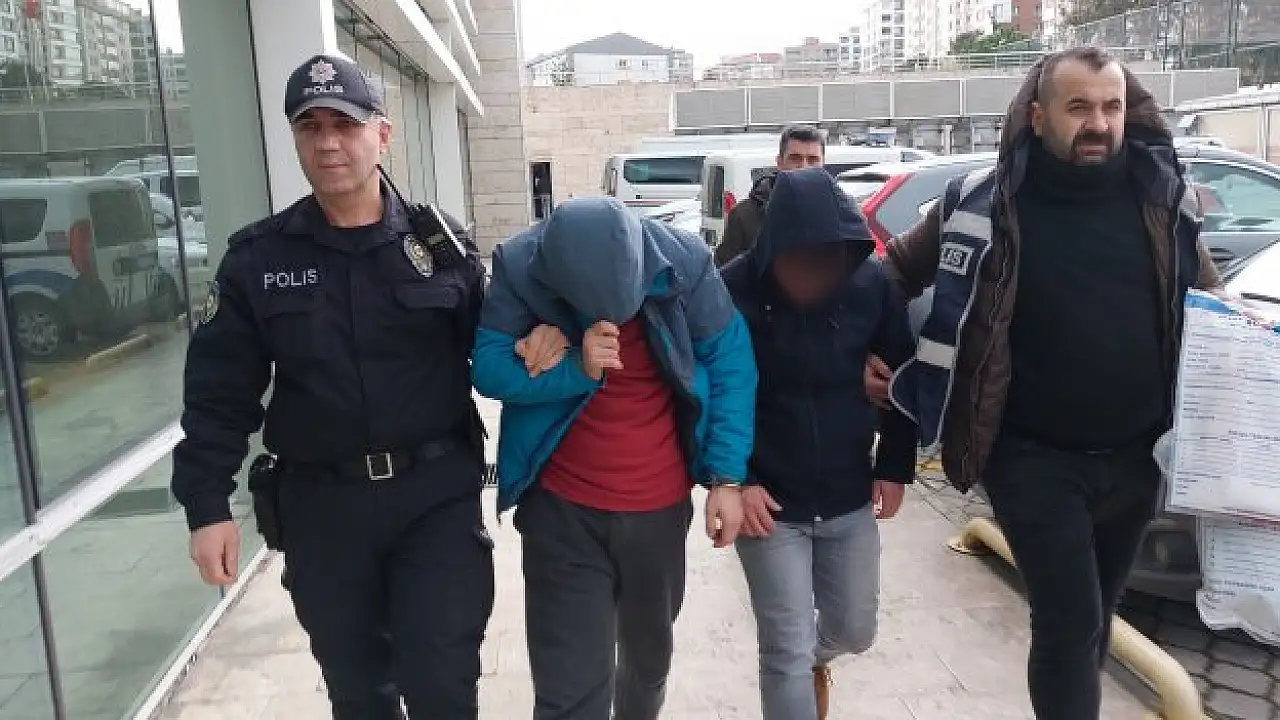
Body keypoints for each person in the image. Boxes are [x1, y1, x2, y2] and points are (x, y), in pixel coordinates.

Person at [879, 48, 1229, 720]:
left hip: (1138, 458)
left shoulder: (1163, 199)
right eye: (1079, 107)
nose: (1098, 122)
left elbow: (1211, 299)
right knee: (1069, 619)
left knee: (1094, 619)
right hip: (1029, 457)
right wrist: (872, 348)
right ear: (1038, 117)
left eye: (1111, 106)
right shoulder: (982, 203)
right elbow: (891, 273)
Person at [171, 54, 492, 720]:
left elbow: (494, 354)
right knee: (359, 695)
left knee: (443, 685)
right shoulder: (259, 261)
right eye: (309, 126)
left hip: (434, 498)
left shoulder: (439, 246)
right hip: (323, 509)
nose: (327, 143)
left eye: (344, 124)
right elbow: (218, 394)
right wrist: (207, 506)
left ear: (382, 135)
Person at [471, 196, 758, 720]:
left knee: (648, 668)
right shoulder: (520, 265)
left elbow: (731, 362)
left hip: (657, 511)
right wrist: (575, 368)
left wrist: (727, 477)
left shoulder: (685, 264)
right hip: (561, 512)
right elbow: (487, 368)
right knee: (569, 690)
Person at [720, 167, 917, 720]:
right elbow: (708, 391)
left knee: (855, 630)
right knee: (784, 649)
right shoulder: (733, 289)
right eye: (798, 262)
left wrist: (895, 466)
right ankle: (795, 676)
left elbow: (903, 374)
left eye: (826, 263)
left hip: (846, 493)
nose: (812, 277)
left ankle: (813, 661)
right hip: (767, 504)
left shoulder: (870, 286)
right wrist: (736, 480)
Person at [713, 124, 826, 267]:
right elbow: (724, 274)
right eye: (795, 158)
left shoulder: (841, 214)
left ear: (823, 164)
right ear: (779, 162)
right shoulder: (745, 216)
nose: (804, 167)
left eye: (813, 159)